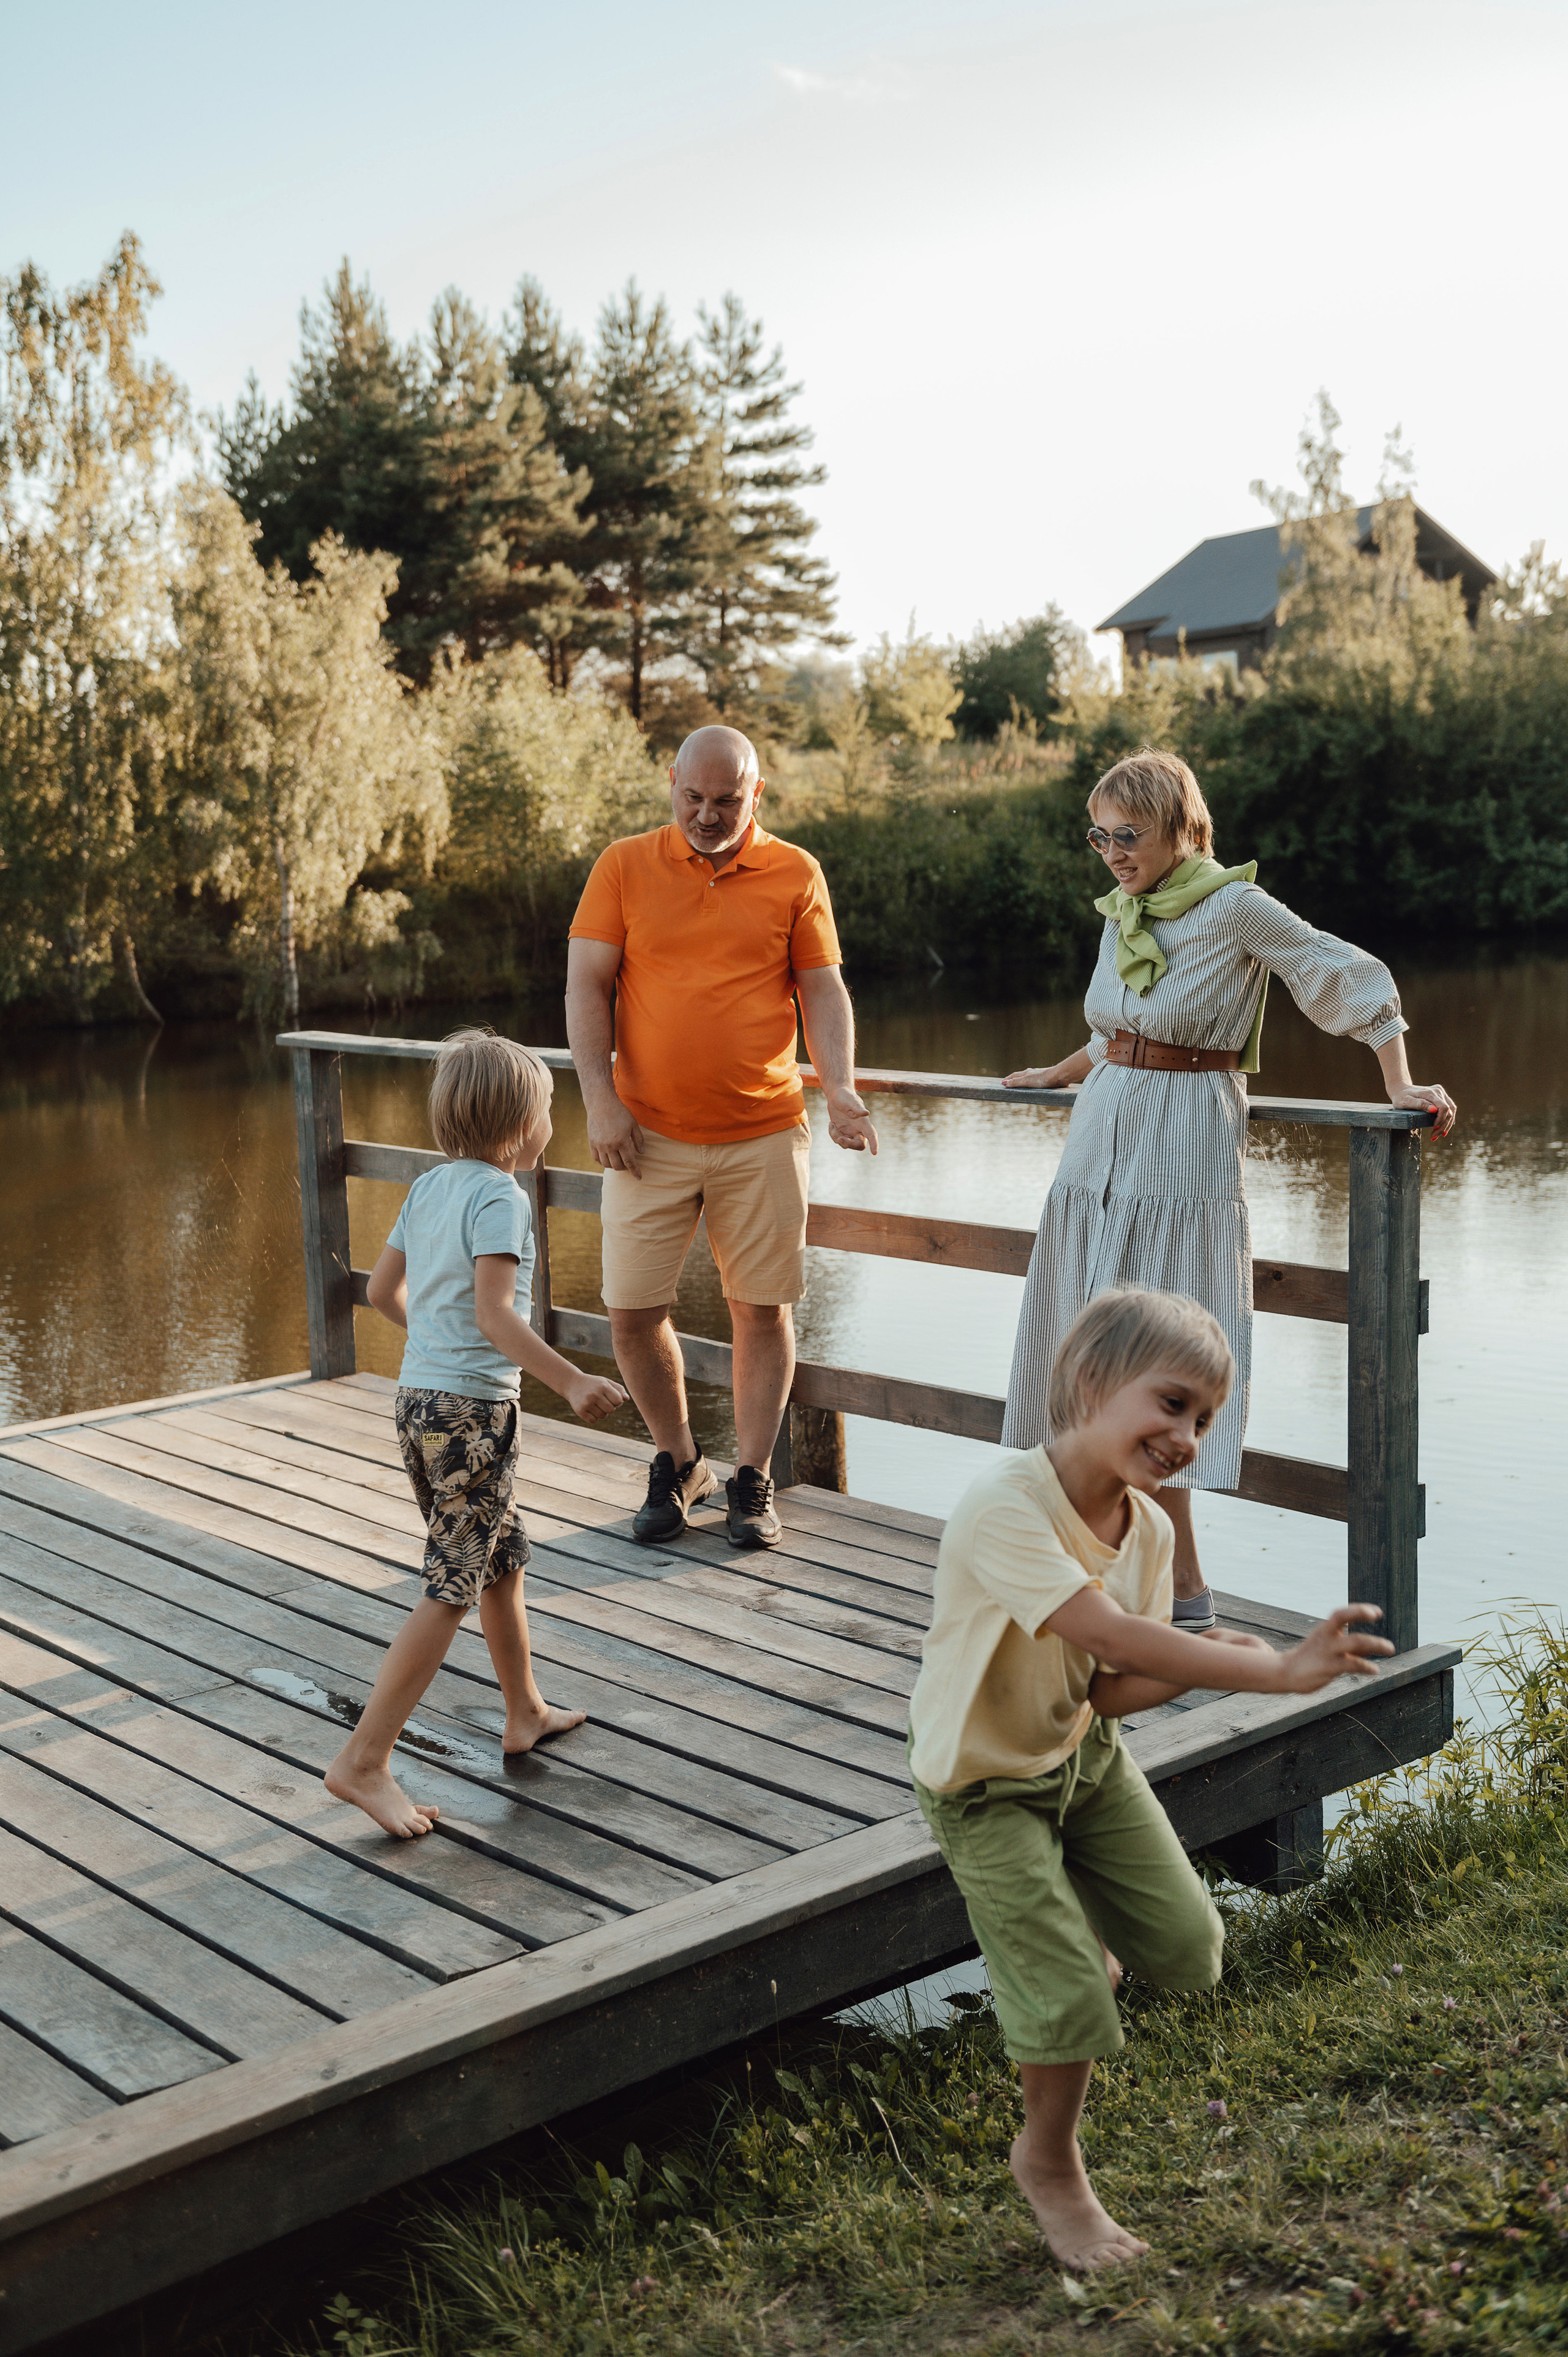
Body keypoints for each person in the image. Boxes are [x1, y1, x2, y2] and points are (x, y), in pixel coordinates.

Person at [908, 1287, 1392, 2271]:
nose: (1187, 1438)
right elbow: (1106, 1632)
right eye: (1172, 1403)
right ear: (1092, 1380)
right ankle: (1051, 2167)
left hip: (1083, 1756)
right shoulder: (1006, 1504)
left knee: (1191, 1950)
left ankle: (1076, 1931)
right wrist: (1276, 1671)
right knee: (1070, 1994)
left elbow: (1110, 1685)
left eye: (1204, 1421)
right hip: (984, 1782)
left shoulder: (1154, 1533)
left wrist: (1208, 1660)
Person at [1000, 746, 1457, 1630]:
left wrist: (1400, 1083)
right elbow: (1118, 1030)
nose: (1112, 854)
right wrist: (1059, 1072)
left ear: (1180, 828)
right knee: (1088, 1354)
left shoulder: (1234, 907)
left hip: (1180, 1148)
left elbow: (1347, 974)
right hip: (1099, 1148)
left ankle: (1185, 1591)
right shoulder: (1127, 909)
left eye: (1128, 835)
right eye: (1099, 837)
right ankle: (1096, 1577)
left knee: (1154, 1364)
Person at [565, 723, 877, 1552]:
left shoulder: (795, 872)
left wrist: (840, 1087)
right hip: (643, 1134)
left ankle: (752, 1479)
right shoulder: (623, 866)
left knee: (761, 1311)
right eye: (693, 797)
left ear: (757, 794)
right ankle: (680, 1462)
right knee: (631, 1312)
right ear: (671, 782)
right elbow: (586, 987)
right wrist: (600, 1100)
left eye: (727, 801)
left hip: (763, 1131)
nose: (707, 814)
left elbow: (823, 990)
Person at [325, 1028, 626, 1839]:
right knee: (451, 1585)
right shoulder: (501, 1198)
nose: (552, 1124)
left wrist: (435, 1342)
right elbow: (495, 1316)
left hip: (418, 1403)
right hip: (471, 1418)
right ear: (522, 1124)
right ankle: (364, 1760)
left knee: (500, 1554)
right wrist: (572, 1381)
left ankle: (524, 1710)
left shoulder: (430, 1187)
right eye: (549, 1110)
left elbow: (384, 1292)